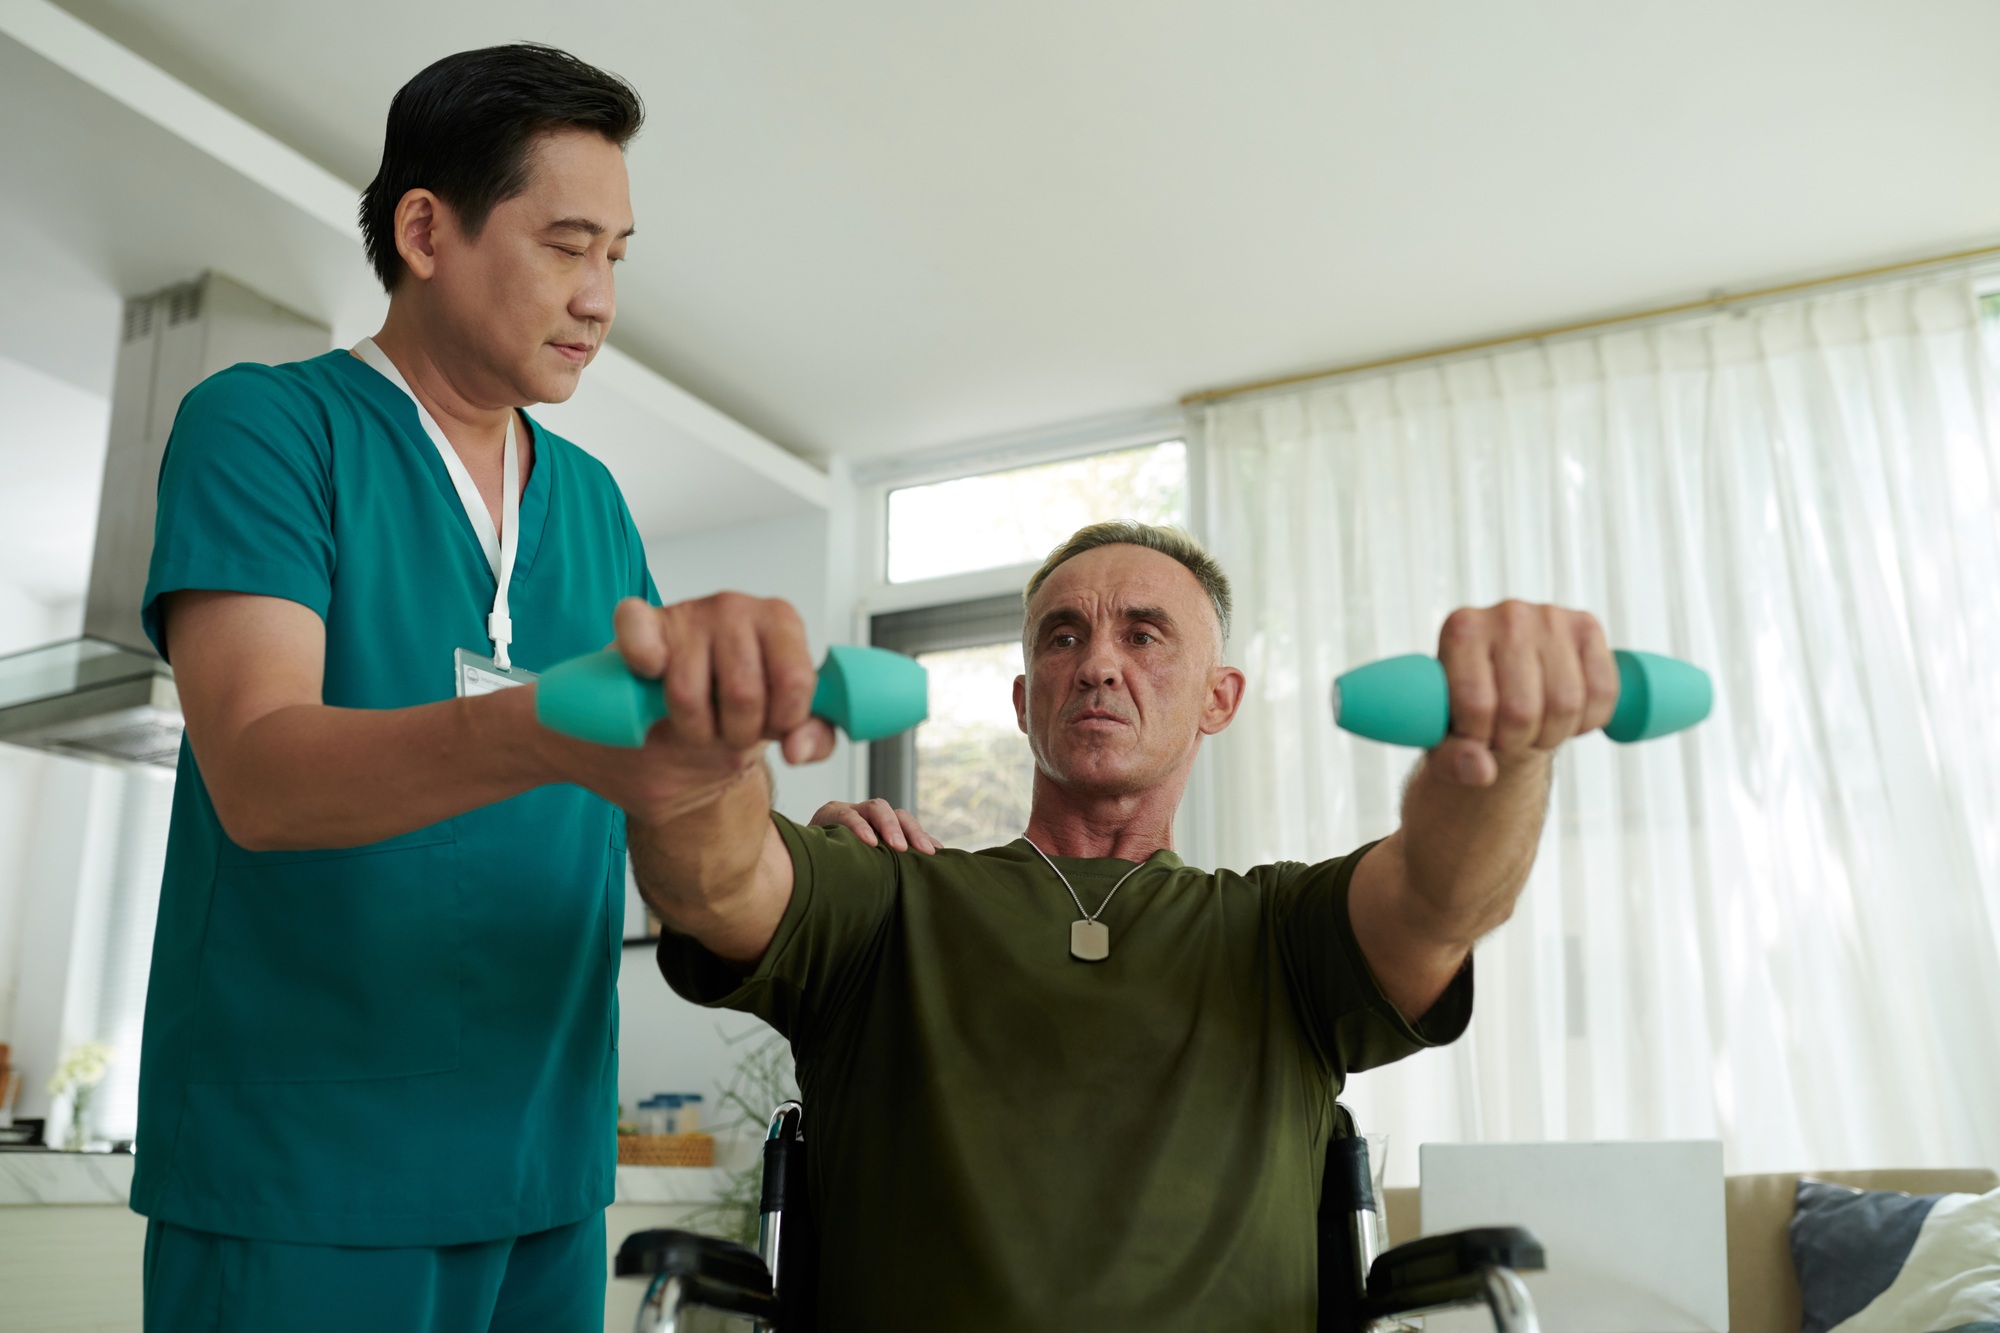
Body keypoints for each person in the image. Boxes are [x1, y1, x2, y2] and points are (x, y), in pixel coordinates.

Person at [131, 43, 920, 1333]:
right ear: (426, 229)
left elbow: (659, 788)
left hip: (545, 1178)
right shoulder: (268, 427)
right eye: (565, 245)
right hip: (305, 1177)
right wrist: (563, 725)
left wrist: (776, 846)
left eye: (616, 254)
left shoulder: (595, 506)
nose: (599, 297)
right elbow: (261, 773)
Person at [621, 520, 1622, 1332]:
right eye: (1062, 636)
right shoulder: (892, 895)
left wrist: (1498, 753)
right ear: (1022, 702)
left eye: (1143, 634)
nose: (1098, 663)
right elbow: (716, 881)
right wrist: (702, 757)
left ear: (1216, 699)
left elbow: (1440, 897)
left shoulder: (1278, 929)